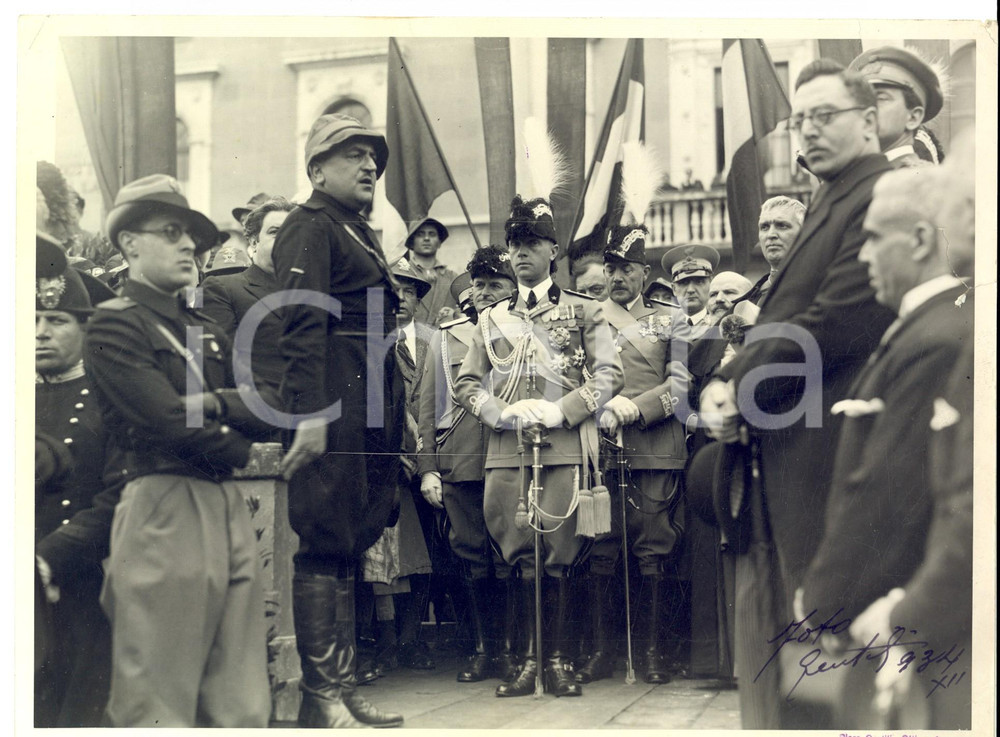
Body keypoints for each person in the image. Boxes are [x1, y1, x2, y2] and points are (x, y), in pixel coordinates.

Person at [699, 59, 896, 729]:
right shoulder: (831, 197)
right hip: (796, 460)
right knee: (797, 674)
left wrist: (734, 384)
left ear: (869, 121)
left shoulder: (877, 193)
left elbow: (835, 320)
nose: (807, 132)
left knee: (827, 675)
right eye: (800, 120)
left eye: (825, 116)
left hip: (829, 460)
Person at [83, 174, 277, 727]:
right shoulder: (115, 324)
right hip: (161, 505)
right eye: (171, 232)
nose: (189, 244)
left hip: (224, 506)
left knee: (240, 695)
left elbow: (266, 401)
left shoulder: (199, 329)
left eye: (191, 234)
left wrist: (213, 405)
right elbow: (169, 420)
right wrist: (228, 416)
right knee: (160, 695)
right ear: (129, 244)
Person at [799, 164, 974, 730]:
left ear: (921, 239)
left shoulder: (936, 336)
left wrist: (828, 602)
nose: (862, 255)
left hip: (920, 609)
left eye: (875, 238)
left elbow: (891, 488)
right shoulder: (929, 325)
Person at [453, 193, 624, 698]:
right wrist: (498, 412)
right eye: (514, 245)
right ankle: (527, 660)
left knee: (560, 553)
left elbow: (608, 374)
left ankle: (558, 659)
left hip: (563, 448)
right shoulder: (490, 319)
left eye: (532, 243)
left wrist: (563, 410)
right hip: (507, 450)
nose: (521, 253)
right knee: (519, 554)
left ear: (554, 250)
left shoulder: (584, 311)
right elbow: (467, 384)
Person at [271, 113, 404, 728]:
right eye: (353, 155)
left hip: (370, 393)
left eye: (372, 156)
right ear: (317, 169)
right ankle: (320, 694)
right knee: (324, 536)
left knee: (353, 534)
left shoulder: (357, 230)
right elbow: (300, 325)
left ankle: (342, 685)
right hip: (335, 394)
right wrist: (311, 415)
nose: (369, 165)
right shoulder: (309, 224)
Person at [575, 223, 690, 685]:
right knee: (601, 546)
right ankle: (603, 651)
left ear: (644, 273)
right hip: (600, 446)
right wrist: (604, 405)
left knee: (653, 548)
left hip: (655, 446)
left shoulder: (671, 319)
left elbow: (680, 387)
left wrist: (634, 409)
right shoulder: (585, 317)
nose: (617, 276)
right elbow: (571, 377)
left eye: (627, 269)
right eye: (611, 267)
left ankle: (652, 651)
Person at [418, 248, 519, 684]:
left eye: (494, 285)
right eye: (478, 285)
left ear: (514, 289)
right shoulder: (447, 336)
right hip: (460, 461)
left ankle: (516, 650)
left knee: (513, 556)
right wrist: (428, 468)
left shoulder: (526, 332)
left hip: (512, 457)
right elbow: (427, 408)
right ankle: (485, 649)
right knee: (472, 557)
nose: (483, 293)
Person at [34, 233, 116, 727]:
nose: (41, 332)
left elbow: (116, 498)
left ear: (85, 329)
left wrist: (49, 556)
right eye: (33, 320)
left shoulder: (108, 400)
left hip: (80, 587)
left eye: (57, 321)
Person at [201, 196, 295, 397]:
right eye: (275, 232)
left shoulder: (317, 291)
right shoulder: (223, 288)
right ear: (254, 241)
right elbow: (225, 368)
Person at [849, 46, 945, 169]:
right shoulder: (858, 175)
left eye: (880, 98)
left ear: (913, 118)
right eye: (860, 98)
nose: (865, 108)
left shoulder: (918, 179)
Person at [745, 196, 806, 304]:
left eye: (782, 226)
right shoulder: (750, 301)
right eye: (764, 227)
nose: (771, 235)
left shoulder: (826, 289)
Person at [403, 217, 460, 327]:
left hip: (443, 340)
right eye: (420, 234)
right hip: (408, 340)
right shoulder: (402, 274)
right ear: (411, 242)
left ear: (439, 242)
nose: (426, 238)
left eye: (432, 234)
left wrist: (454, 314)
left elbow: (465, 311)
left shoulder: (452, 278)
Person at [661, 244, 720, 338]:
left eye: (699, 281)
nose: (691, 290)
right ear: (674, 289)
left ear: (711, 284)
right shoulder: (663, 328)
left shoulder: (719, 325)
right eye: (683, 283)